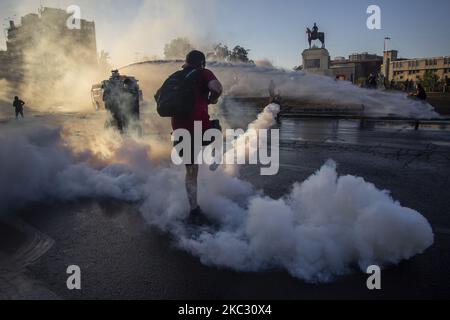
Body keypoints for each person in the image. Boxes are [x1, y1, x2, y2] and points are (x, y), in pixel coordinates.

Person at [172, 50, 223, 220]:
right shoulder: (203, 73)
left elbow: (160, 96)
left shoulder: (177, 76)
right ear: (202, 63)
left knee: (191, 171)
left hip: (179, 129)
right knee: (216, 128)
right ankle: (216, 157)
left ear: (186, 62)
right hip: (200, 128)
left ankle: (193, 209)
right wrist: (213, 99)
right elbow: (217, 88)